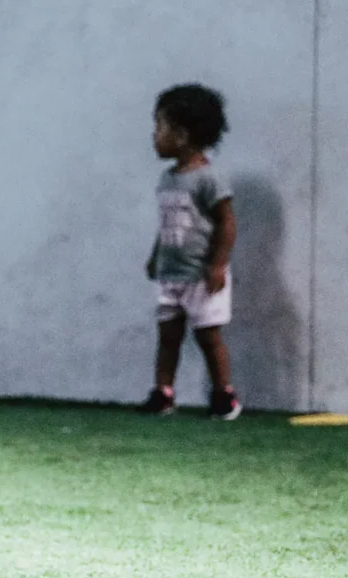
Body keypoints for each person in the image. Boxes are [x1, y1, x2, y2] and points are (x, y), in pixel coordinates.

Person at [137, 84, 242, 420]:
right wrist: (156, 255)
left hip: (201, 275)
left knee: (208, 337)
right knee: (168, 335)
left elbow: (226, 223)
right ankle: (163, 392)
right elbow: (167, 223)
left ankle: (224, 394)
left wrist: (218, 265)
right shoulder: (167, 178)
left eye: (159, 127)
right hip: (171, 274)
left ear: (181, 135)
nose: (154, 135)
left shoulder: (209, 179)